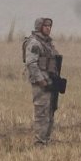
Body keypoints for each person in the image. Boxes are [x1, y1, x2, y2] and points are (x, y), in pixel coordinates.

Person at [22, 17, 60, 145]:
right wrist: (41, 80)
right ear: (39, 27)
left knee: (50, 112)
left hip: (50, 81)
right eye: (45, 26)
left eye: (50, 26)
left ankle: (46, 140)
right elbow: (31, 64)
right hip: (41, 83)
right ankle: (39, 142)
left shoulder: (47, 43)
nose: (48, 28)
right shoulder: (34, 43)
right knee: (41, 113)